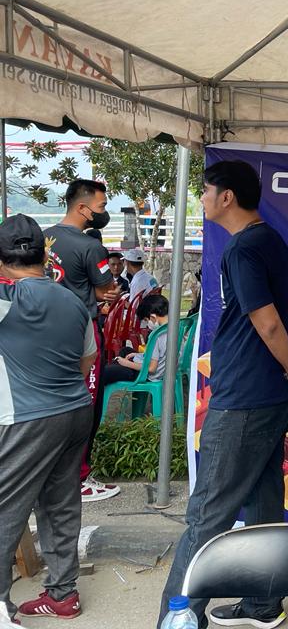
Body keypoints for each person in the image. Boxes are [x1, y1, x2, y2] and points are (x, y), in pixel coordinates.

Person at [158, 160, 288, 629]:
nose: (202, 198)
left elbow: (268, 321)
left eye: (206, 190)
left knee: (208, 514)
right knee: (264, 503)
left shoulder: (244, 247)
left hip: (244, 398)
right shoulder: (271, 240)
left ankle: (178, 620)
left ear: (226, 197)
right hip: (269, 396)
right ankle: (263, 604)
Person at [0, 214, 97, 623]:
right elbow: (88, 358)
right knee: (60, 503)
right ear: (45, 255)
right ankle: (62, 594)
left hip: (28, 418)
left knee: (5, 508)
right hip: (74, 411)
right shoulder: (73, 300)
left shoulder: (8, 300)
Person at [44, 178, 120, 503]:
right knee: (86, 406)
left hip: (44, 335)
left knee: (50, 405)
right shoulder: (91, 246)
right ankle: (78, 478)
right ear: (83, 208)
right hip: (82, 333)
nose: (103, 212)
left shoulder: (42, 238)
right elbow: (106, 291)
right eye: (101, 207)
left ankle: (49, 475)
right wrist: (102, 294)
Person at [86, 293, 170, 461]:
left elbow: (151, 368)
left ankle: (93, 405)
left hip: (142, 373)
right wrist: (136, 356)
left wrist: (126, 363)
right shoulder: (174, 327)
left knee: (104, 372)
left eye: (146, 320)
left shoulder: (157, 335)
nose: (147, 324)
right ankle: (120, 362)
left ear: (153, 317)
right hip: (157, 369)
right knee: (125, 351)